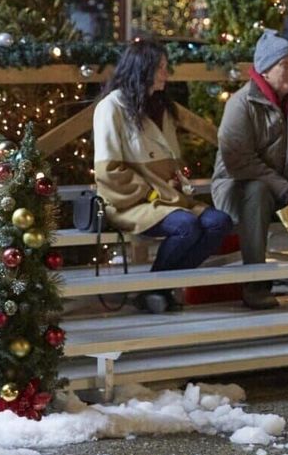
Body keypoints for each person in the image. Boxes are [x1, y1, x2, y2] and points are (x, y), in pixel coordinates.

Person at [94, 40, 235, 314]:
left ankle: (156, 289)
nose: (166, 73)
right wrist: (152, 192)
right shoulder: (112, 108)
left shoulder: (161, 107)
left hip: (170, 198)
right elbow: (109, 172)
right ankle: (157, 289)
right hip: (132, 202)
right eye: (160, 67)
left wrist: (177, 180)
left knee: (220, 222)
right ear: (142, 69)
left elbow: (170, 159)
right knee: (186, 226)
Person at [212, 28, 288, 310]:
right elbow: (240, 162)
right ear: (266, 69)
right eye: (285, 65)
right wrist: (287, 189)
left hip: (280, 187)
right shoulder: (241, 104)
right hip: (236, 187)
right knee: (257, 192)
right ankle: (255, 284)